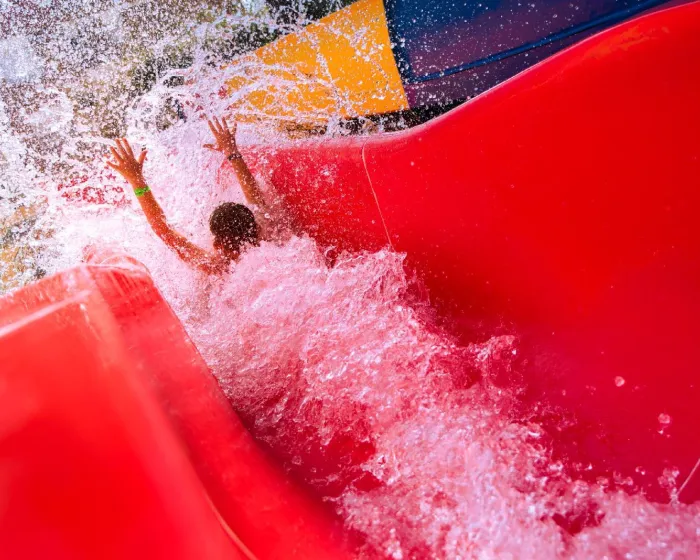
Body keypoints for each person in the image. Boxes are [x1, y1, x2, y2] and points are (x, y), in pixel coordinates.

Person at [107, 116, 270, 275]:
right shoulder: (266, 239)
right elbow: (254, 195)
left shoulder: (217, 268)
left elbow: (163, 230)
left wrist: (137, 181)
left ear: (217, 244)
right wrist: (232, 152)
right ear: (255, 227)